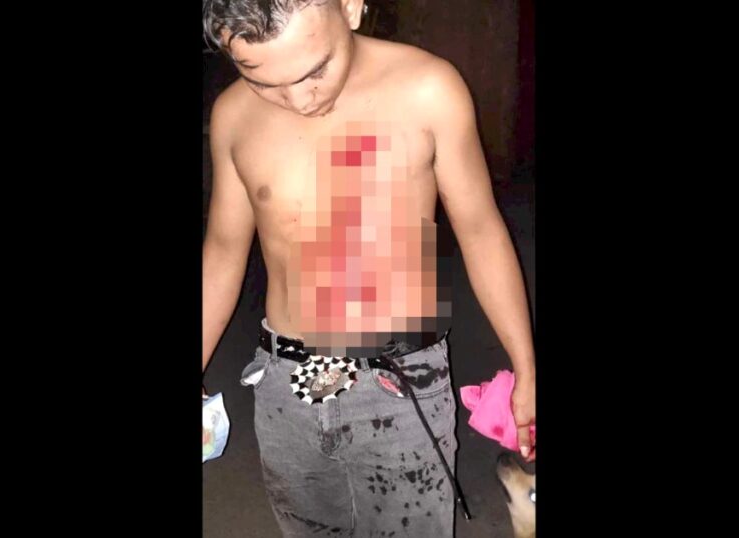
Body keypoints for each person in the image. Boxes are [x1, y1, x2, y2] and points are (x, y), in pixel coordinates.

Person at [201, 0, 535, 535]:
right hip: (283, 383)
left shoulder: (429, 90)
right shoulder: (233, 116)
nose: (298, 99)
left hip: (400, 381)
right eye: (262, 80)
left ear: (352, 7)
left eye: (315, 70)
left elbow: (480, 229)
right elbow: (222, 250)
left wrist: (527, 365)